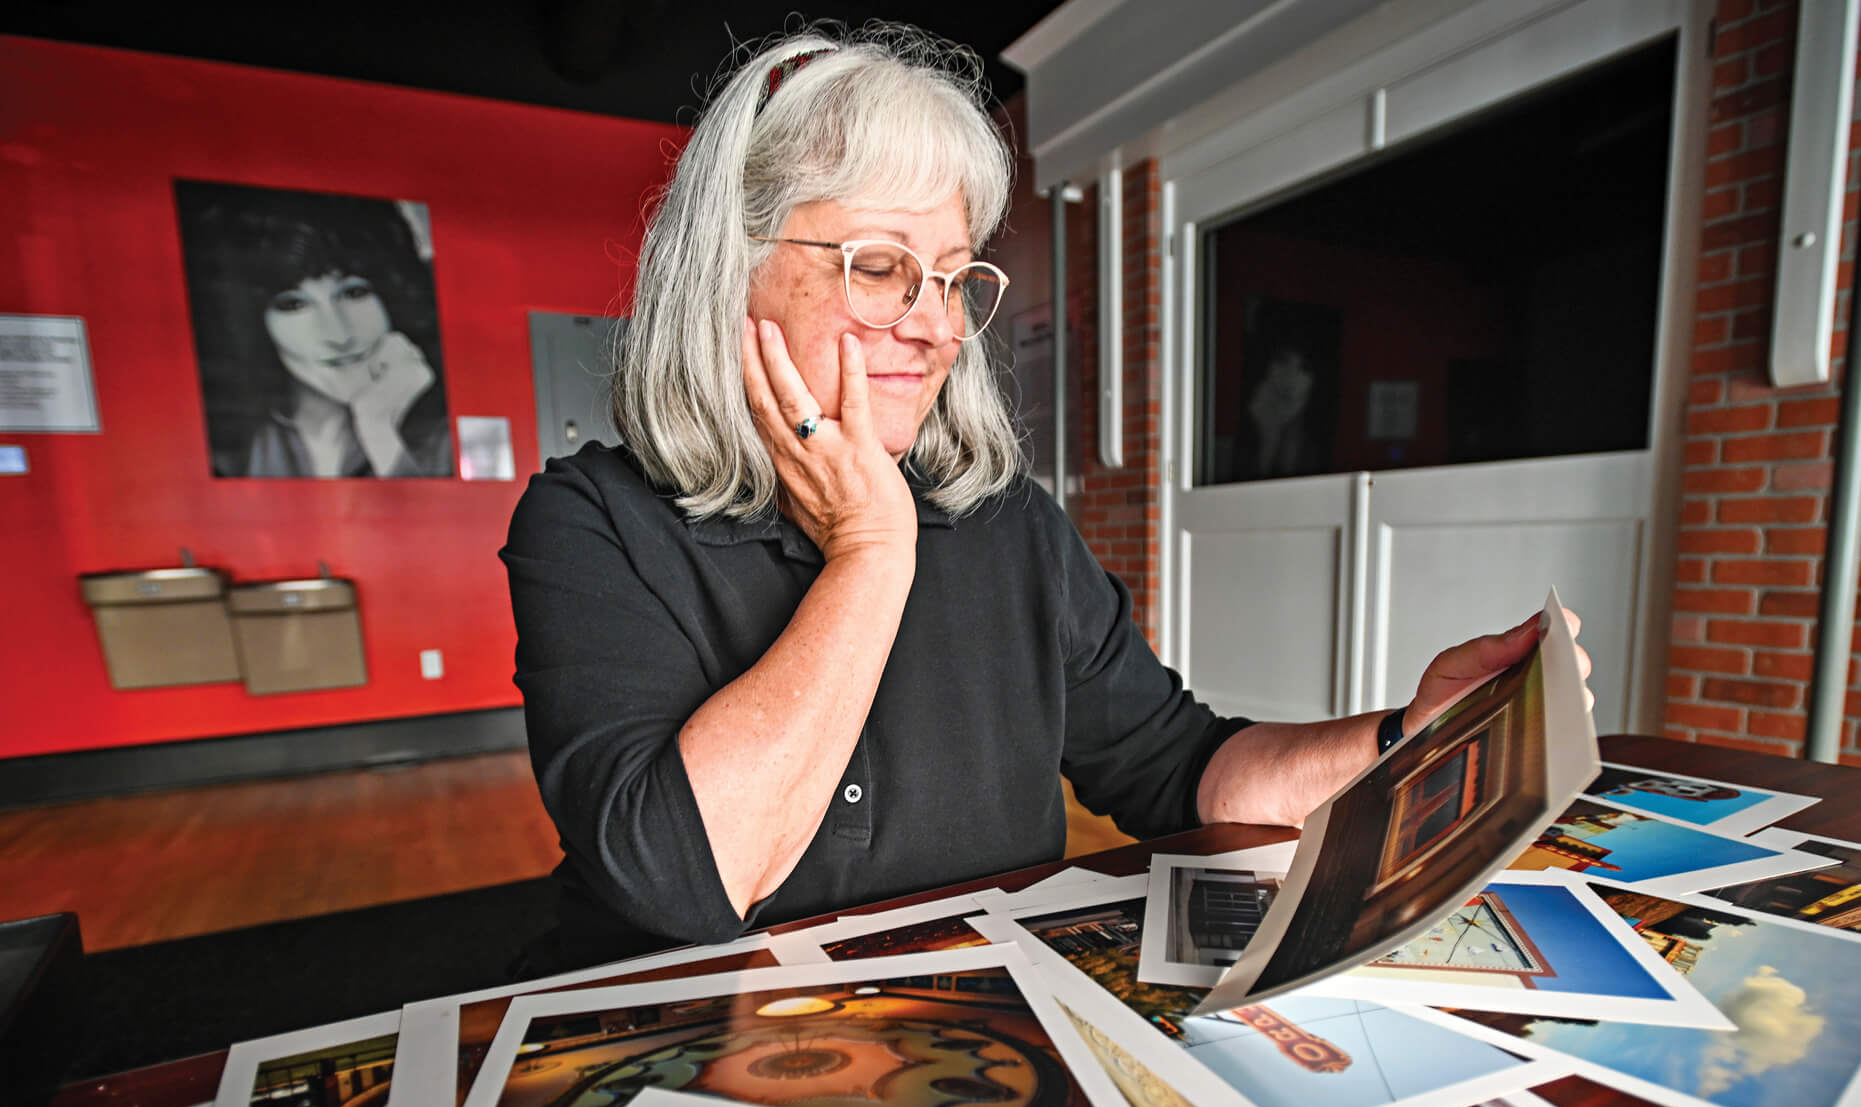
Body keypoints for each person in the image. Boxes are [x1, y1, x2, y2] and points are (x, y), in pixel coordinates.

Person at [502, 25, 1591, 971]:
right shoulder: (593, 522)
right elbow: (678, 884)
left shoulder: (1004, 520)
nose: (934, 326)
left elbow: (1182, 770)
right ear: (729, 270)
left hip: (982, 1044)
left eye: (951, 275)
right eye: (880, 267)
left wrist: (1411, 735)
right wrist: (870, 553)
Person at [175, 182, 453, 478]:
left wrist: (380, 430)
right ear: (253, 321)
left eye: (354, 293)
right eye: (294, 304)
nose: (340, 335)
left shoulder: (447, 441)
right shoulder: (228, 450)